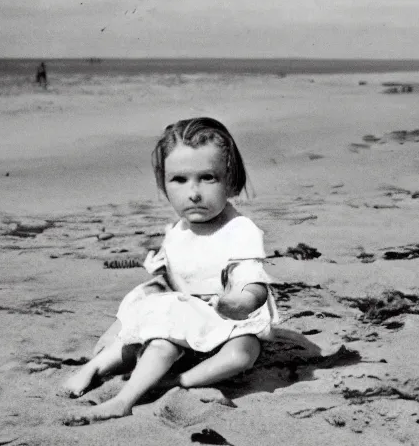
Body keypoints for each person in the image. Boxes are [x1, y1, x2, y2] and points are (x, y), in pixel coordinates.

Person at [61, 117, 280, 423]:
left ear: (230, 180)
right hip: (183, 318)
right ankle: (108, 382)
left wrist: (239, 302)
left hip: (227, 321)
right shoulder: (176, 232)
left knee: (242, 355)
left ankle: (177, 381)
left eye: (207, 178)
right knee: (158, 338)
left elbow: (253, 282)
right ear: (163, 184)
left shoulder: (239, 230)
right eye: (179, 179)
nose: (194, 192)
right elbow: (165, 283)